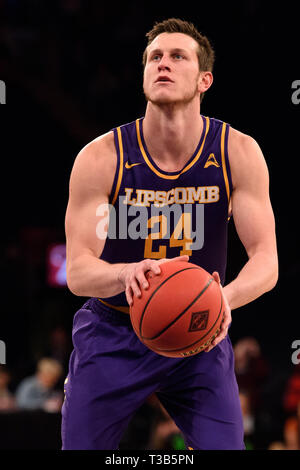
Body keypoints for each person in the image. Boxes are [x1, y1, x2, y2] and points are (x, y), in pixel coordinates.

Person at [62, 18, 278, 450]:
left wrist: (222, 301)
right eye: (154, 57)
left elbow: (266, 261)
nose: (163, 64)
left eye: (178, 56)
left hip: (199, 329)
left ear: (204, 80)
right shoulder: (101, 157)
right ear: (144, 74)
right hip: (113, 331)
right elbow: (78, 271)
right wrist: (126, 275)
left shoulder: (237, 151)